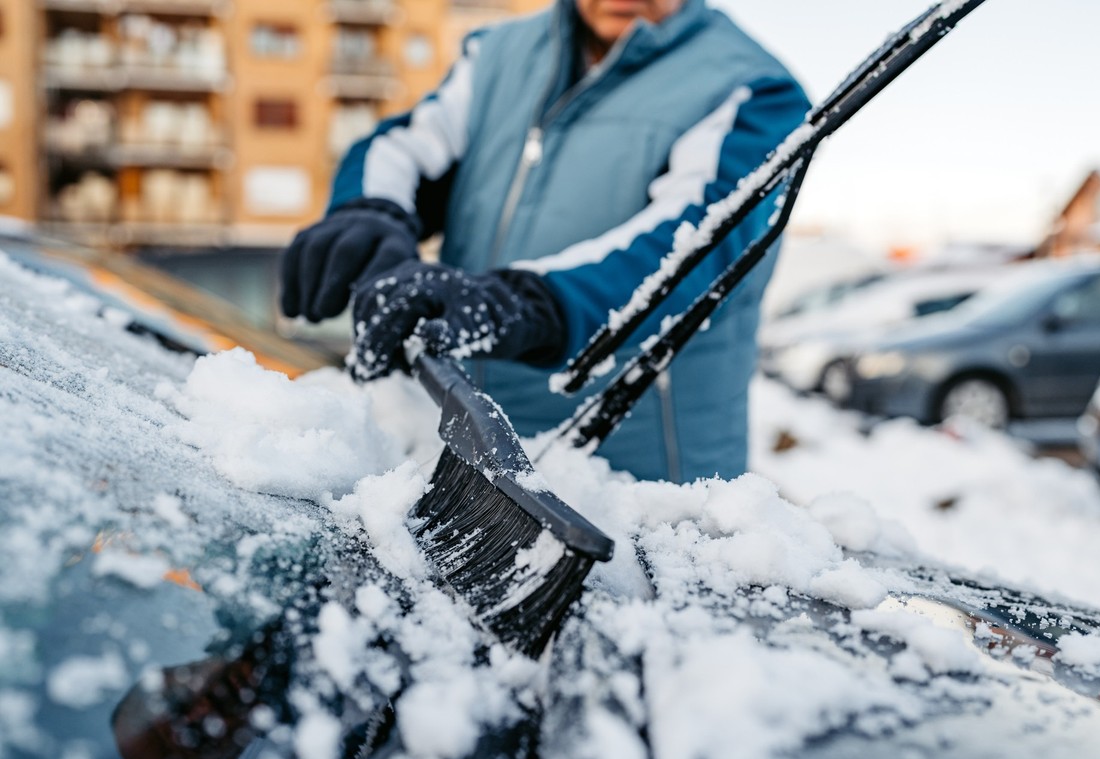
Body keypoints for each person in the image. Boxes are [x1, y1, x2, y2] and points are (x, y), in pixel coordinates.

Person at [280, 0, 810, 483]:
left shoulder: (751, 88)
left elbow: (692, 245)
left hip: (644, 489)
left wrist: (520, 302)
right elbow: (408, 146)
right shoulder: (496, 55)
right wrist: (371, 212)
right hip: (472, 463)